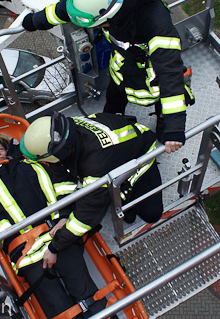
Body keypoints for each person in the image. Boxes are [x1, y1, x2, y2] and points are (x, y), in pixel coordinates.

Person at [22, 0, 194, 154]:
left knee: (162, 103)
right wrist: (34, 22)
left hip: (152, 72)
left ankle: (163, 126)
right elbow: (64, 10)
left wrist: (174, 129)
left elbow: (170, 74)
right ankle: (110, 124)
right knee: (114, 100)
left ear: (110, 16)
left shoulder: (157, 23)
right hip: (121, 67)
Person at [0, 134, 106, 319]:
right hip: (25, 251)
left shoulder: (28, 164)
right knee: (56, 305)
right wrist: (11, 236)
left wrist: (61, 219)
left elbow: (54, 188)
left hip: (56, 235)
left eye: (0, 149)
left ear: (7, 149)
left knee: (83, 287)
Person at [20, 111, 163, 270]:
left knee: (152, 214)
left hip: (140, 157)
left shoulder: (95, 163)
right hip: (116, 154)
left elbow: (86, 217)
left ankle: (126, 191)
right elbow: (61, 179)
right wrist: (65, 215)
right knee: (115, 202)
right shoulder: (63, 131)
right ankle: (122, 193)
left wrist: (55, 247)